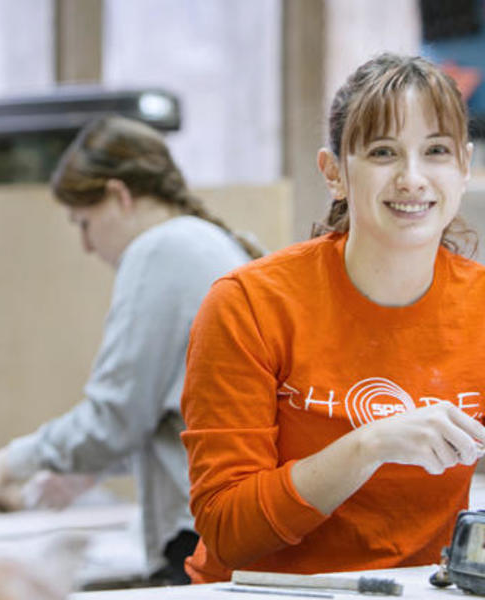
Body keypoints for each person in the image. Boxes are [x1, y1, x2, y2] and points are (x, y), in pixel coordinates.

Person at [180, 52, 485, 583]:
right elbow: (228, 528)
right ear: (335, 173)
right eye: (383, 152)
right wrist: (369, 445)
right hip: (261, 594)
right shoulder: (248, 304)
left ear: (463, 167)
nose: (412, 178)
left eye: (435, 151)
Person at [0, 115, 264, 584]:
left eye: (85, 222)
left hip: (198, 538)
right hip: (230, 531)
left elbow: (115, 417)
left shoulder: (161, 249)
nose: (85, 244)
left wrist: (11, 460)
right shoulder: (205, 243)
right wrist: (85, 468)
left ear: (120, 196)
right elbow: (172, 418)